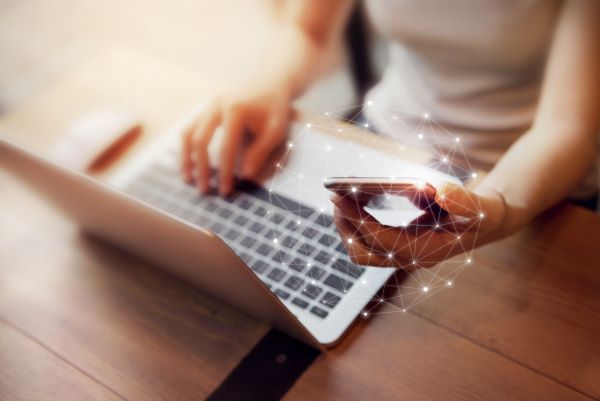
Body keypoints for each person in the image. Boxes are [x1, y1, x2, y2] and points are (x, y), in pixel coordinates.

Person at [180, 0, 600, 269]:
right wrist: (265, 85)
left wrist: (498, 210)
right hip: (387, 138)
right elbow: (308, 28)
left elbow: (567, 127)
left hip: (534, 181)